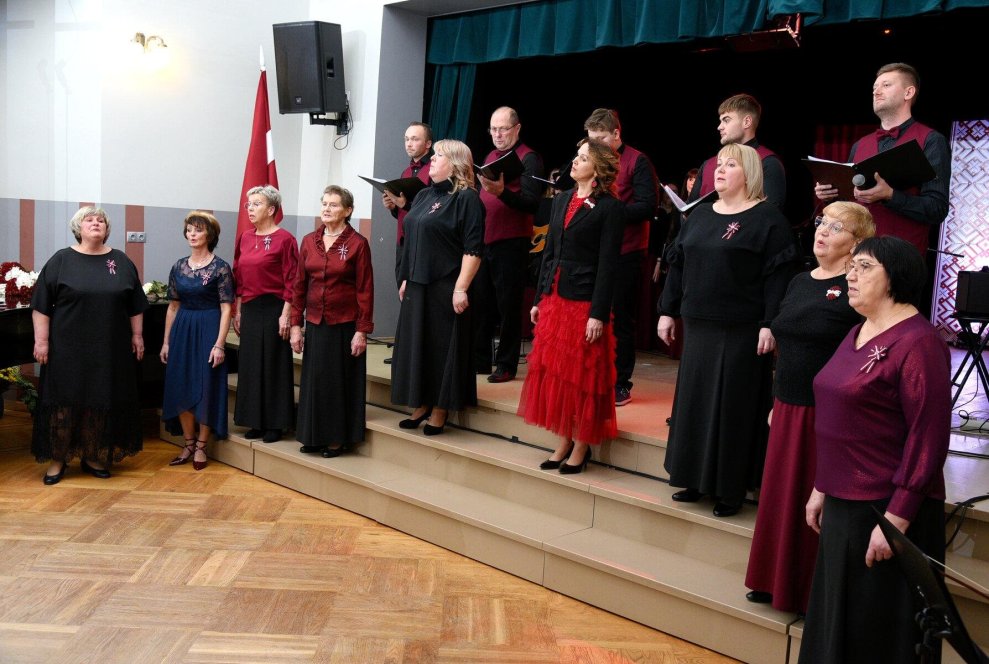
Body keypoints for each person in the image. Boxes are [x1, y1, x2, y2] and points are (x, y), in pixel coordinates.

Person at [798, 236, 951, 664]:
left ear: (895, 277)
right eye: (851, 266)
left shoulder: (919, 342)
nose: (851, 275)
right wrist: (821, 486)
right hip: (845, 502)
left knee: (875, 633)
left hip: (888, 508)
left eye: (864, 267)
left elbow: (928, 438)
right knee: (838, 623)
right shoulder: (858, 330)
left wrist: (896, 520)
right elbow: (842, 420)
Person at [744, 202, 876, 613]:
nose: (822, 230)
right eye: (822, 222)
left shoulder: (856, 289)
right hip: (788, 406)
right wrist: (776, 397)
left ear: (855, 244)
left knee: (810, 502)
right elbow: (787, 347)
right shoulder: (800, 281)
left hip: (826, 413)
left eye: (836, 227)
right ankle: (772, 580)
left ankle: (804, 591)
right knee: (779, 497)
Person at [658, 143, 797, 517]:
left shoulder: (768, 220)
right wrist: (667, 311)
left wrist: (770, 323)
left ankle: (729, 488)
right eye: (718, 164)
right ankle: (693, 478)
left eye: (730, 165)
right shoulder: (701, 215)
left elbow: (777, 279)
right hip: (698, 327)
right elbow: (679, 266)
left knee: (732, 409)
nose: (719, 170)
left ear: (749, 173)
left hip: (741, 330)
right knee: (695, 405)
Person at [518, 138, 624, 474]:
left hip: (584, 301)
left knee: (581, 375)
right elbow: (550, 253)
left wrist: (598, 313)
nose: (574, 162)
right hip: (555, 297)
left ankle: (581, 445)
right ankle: (563, 439)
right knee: (556, 373)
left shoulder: (609, 207)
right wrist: (540, 298)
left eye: (582, 158)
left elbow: (608, 265)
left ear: (598, 168)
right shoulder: (562, 199)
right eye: (576, 156)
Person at [30, 206, 148, 484]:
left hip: (109, 348)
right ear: (78, 228)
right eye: (89, 220)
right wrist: (41, 341)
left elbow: (135, 305)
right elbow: (41, 305)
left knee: (100, 399)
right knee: (64, 402)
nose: (96, 223)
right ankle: (58, 459)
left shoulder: (121, 261)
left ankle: (92, 454)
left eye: (101, 220)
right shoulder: (61, 260)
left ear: (106, 229)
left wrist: (138, 336)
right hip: (67, 348)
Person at [392, 139, 485, 435]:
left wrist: (461, 288)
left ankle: (441, 408)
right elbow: (410, 238)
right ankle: (422, 402)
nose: (431, 160)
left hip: (446, 284)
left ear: (455, 164)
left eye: (438, 156)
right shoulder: (423, 195)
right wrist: (405, 277)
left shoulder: (467, 199)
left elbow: (473, 249)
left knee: (441, 347)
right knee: (419, 345)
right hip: (417, 283)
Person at [813, 63, 950, 258]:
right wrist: (831, 195)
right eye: (874, 88)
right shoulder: (860, 145)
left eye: (886, 85)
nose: (876, 92)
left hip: (901, 257)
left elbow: (937, 209)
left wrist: (891, 196)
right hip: (857, 254)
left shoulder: (931, 140)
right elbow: (851, 203)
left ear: (908, 92)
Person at [290, 186, 374, 458]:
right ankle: (313, 436)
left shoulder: (358, 244)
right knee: (315, 382)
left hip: (344, 325)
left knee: (337, 383)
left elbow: (365, 290)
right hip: (315, 322)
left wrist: (362, 331)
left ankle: (337, 439)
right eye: (324, 203)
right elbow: (299, 286)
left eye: (333, 205)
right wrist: (295, 325)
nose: (326, 209)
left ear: (348, 210)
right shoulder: (308, 241)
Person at [584, 108, 659, 406]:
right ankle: (593, 376)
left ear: (616, 134)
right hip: (593, 252)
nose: (595, 146)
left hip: (626, 251)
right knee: (590, 315)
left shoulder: (637, 161)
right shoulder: (589, 158)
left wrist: (610, 213)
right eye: (591, 140)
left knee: (620, 319)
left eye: (601, 139)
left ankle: (620, 382)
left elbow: (648, 206)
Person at [473, 106, 545, 383]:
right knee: (482, 303)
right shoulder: (490, 157)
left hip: (511, 242)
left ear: (517, 128)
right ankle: (480, 360)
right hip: (485, 240)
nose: (498, 134)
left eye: (503, 128)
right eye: (493, 129)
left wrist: (502, 192)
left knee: (508, 306)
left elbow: (532, 203)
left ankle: (506, 364)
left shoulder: (529, 158)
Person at [160, 212, 234, 471]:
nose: (192, 234)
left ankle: (202, 445)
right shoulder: (178, 266)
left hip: (209, 326)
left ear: (209, 235)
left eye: (198, 230)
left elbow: (226, 308)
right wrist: (166, 342)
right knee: (181, 384)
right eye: (189, 230)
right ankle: (188, 443)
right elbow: (172, 306)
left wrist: (219, 343)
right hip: (182, 328)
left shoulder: (221, 267)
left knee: (206, 384)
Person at [232, 184, 299, 443]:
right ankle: (255, 420)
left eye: (256, 204)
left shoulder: (285, 239)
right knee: (251, 365)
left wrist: (286, 314)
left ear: (271, 209)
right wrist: (238, 309)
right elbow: (239, 275)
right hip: (250, 307)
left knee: (273, 365)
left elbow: (292, 279)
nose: (250, 208)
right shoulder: (245, 238)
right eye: (248, 204)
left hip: (275, 307)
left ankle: (275, 423)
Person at [687, 94, 786, 209]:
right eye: (720, 121)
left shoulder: (768, 162)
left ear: (747, 122)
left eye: (726, 120)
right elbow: (688, 210)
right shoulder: (707, 164)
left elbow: (769, 214)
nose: (719, 127)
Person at [382, 121, 433, 285]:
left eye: (415, 139)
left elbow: (434, 209)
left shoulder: (434, 170)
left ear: (428, 144)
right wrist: (393, 207)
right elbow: (402, 213)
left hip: (423, 242)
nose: (409, 144)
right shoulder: (406, 172)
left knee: (417, 291)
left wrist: (405, 205)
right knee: (401, 288)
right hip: (403, 241)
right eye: (407, 139)